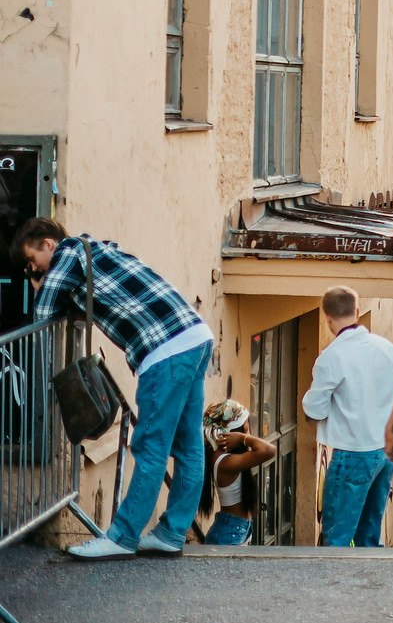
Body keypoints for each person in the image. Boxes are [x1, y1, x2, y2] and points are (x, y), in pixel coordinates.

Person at [15, 218, 216, 560]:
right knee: (188, 445)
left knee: (150, 446)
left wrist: (38, 284)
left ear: (48, 244)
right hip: (195, 336)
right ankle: (171, 533)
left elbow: (43, 312)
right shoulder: (97, 250)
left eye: (32, 261)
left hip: (164, 350)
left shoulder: (67, 256)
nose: (34, 269)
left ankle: (123, 536)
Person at [302, 286, 393, 548]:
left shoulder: (332, 357)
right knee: (370, 535)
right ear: (357, 312)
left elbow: (314, 410)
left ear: (327, 319)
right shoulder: (389, 350)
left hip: (353, 451)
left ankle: (333, 578)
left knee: (337, 537)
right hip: (386, 450)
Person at [197, 400, 275, 546]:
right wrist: (244, 438)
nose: (249, 428)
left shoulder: (222, 454)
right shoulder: (225, 461)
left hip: (234, 528)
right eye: (247, 422)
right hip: (230, 532)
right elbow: (269, 450)